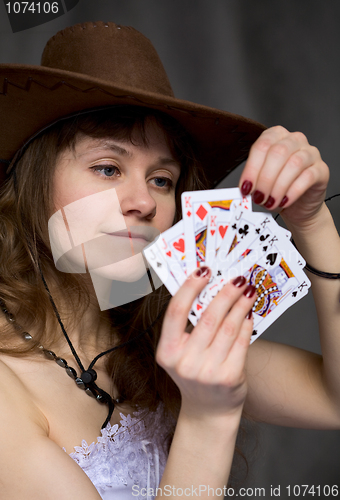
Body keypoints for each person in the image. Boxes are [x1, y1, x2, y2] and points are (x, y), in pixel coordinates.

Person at [0, 21, 339, 500]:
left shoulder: (158, 337)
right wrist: (209, 417)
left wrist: (313, 223)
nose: (143, 202)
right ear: (34, 184)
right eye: (107, 168)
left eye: (162, 179)